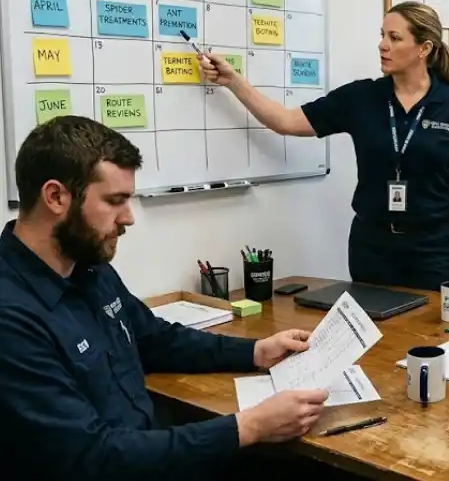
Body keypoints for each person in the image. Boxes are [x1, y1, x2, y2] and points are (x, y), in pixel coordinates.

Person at [0, 116, 331, 481]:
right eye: (114, 201)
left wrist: (254, 352)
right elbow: (92, 458)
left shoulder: (87, 266)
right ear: (56, 197)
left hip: (151, 453)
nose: (128, 218)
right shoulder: (12, 317)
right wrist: (248, 427)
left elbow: (155, 339)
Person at [198, 1, 449, 291]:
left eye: (394, 38)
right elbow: (284, 121)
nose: (382, 45)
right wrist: (233, 81)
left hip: (434, 248)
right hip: (373, 247)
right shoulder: (361, 97)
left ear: (424, 48)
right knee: (378, 332)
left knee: (430, 333)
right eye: (382, 35)